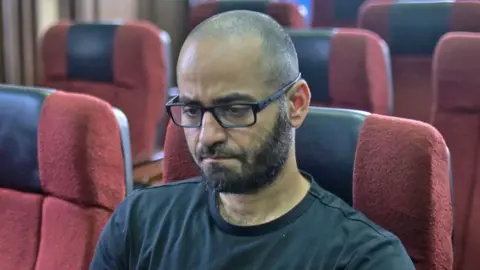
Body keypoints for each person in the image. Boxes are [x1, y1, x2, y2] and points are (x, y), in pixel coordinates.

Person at [90, 11, 414, 270]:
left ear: (296, 105)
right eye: (192, 110)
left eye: (234, 109)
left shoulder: (366, 258)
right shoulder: (138, 221)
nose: (208, 135)